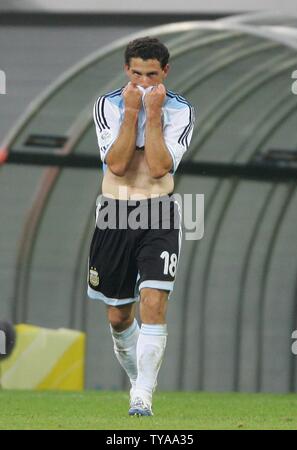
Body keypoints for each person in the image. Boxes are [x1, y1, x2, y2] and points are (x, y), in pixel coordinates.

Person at [87, 36, 195, 416]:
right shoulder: (109, 105)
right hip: (114, 213)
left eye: (152, 74)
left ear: (165, 72)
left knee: (154, 301)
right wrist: (133, 113)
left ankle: (142, 396)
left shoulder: (180, 111)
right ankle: (138, 381)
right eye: (137, 74)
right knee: (119, 316)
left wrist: (153, 114)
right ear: (126, 70)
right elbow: (116, 164)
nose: (145, 82)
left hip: (158, 214)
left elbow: (159, 166)